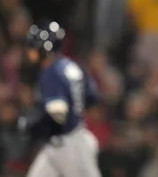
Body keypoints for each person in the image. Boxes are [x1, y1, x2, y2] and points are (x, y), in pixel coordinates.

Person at [18, 21, 102, 177]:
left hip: (70, 145)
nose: (30, 51)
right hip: (60, 144)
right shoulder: (72, 66)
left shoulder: (51, 72)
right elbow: (92, 99)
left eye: (34, 47)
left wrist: (33, 126)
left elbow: (58, 114)